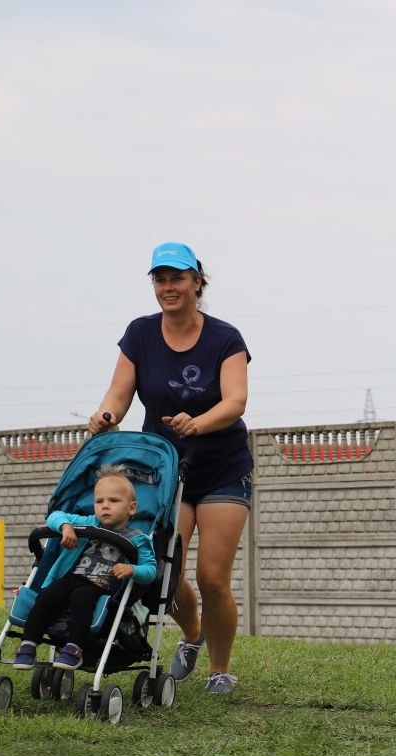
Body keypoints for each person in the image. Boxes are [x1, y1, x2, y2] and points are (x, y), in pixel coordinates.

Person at [88, 242, 252, 694]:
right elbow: (118, 395)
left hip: (221, 467)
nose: (168, 287)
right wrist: (105, 417)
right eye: (159, 279)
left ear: (197, 281)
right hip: (163, 471)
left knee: (212, 577)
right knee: (165, 571)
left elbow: (236, 400)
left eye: (177, 278)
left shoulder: (226, 338)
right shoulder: (140, 334)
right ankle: (193, 636)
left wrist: (197, 423)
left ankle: (220, 669)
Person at [12, 466, 157, 670]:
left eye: (114, 501)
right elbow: (54, 516)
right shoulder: (89, 523)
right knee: (48, 595)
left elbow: (150, 571)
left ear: (131, 508)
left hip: (102, 585)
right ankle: (28, 644)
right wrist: (65, 526)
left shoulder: (138, 539)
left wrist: (132, 570)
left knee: (82, 597)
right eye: (99, 501)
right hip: (73, 577)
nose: (105, 506)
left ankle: (74, 648)